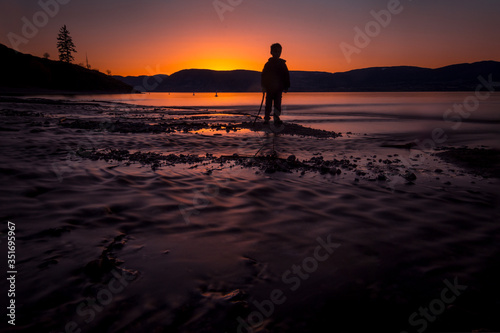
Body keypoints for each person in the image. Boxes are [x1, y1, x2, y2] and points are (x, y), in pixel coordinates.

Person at [261, 43, 290, 126]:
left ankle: (276, 118)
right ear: (271, 52)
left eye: (279, 52)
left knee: (277, 104)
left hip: (279, 88)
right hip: (269, 88)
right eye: (275, 51)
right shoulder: (268, 64)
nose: (277, 53)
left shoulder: (282, 64)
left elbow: (286, 75)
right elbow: (263, 76)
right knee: (268, 104)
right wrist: (263, 86)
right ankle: (266, 119)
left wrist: (286, 86)